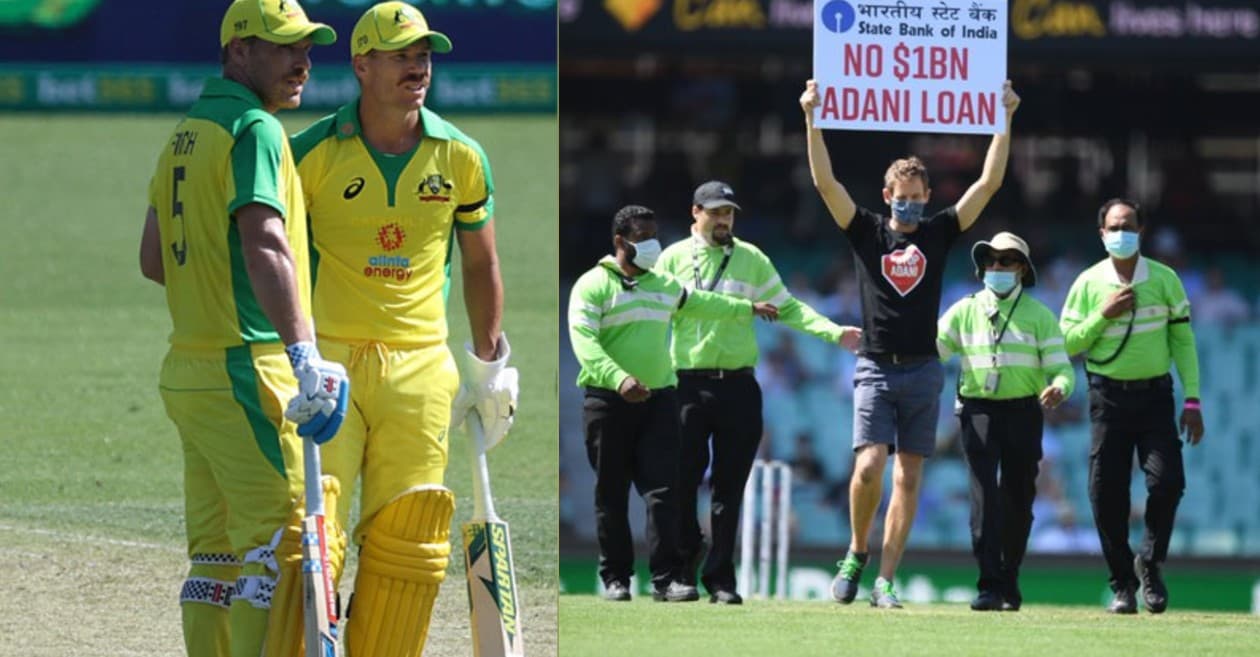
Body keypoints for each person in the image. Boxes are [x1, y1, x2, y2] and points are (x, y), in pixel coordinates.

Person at [288, 3, 517, 654]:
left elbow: (481, 262)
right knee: (312, 533)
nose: (418, 67)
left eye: (424, 55)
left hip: (420, 365)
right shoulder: (309, 154)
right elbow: (265, 254)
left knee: (410, 544)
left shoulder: (462, 157)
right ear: (361, 65)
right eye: (401, 55)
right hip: (328, 363)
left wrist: (487, 364)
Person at [138, 2, 348, 656]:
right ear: (238, 52)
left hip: (189, 372)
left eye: (307, 47)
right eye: (284, 47)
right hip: (247, 368)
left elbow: (153, 259)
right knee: (288, 539)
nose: (302, 62)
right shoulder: (255, 128)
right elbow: (265, 242)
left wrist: (209, 280)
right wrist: (303, 354)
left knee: (215, 558)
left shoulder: (185, 131)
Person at [800, 78, 1021, 608]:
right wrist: (812, 119)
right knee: (869, 466)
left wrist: (1005, 117)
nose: (908, 208)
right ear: (886, 197)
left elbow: (987, 184)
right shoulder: (867, 231)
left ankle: (885, 580)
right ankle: (856, 553)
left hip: (923, 370)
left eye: (917, 199)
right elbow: (826, 183)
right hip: (875, 365)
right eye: (900, 200)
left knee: (909, 475)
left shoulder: (940, 233)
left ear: (928, 198)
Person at [656, 181, 861, 604]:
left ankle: (721, 580)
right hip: (686, 384)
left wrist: (833, 332)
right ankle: (681, 570)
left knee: (730, 490)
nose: (723, 220)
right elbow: (658, 313)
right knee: (682, 483)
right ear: (696, 212)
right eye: (715, 212)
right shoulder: (673, 258)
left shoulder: (750, 259)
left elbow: (787, 307)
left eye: (728, 213)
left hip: (738, 385)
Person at [568, 204, 779, 603]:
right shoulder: (592, 286)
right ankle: (616, 577)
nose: (651, 245)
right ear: (620, 241)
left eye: (654, 236)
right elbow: (585, 344)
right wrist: (620, 378)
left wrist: (747, 307)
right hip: (608, 401)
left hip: (659, 399)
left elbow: (702, 301)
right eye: (642, 237)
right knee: (611, 492)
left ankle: (667, 579)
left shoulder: (662, 284)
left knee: (665, 491)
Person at [1059, 198, 1204, 614]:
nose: (1121, 232)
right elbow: (1068, 344)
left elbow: (1183, 341)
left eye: (1128, 225)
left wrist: (1192, 397)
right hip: (1107, 397)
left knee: (1168, 482)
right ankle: (1123, 584)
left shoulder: (1165, 279)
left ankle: (1150, 565)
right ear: (1101, 233)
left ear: (1140, 231)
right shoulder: (1087, 283)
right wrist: (1103, 315)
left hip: (1156, 397)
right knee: (1105, 494)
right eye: (1113, 226)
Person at [936, 232, 1074, 611]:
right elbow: (934, 349)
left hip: (1024, 412)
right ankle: (988, 585)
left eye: (1006, 261)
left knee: (1019, 500)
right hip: (977, 411)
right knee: (983, 498)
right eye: (991, 260)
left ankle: (1009, 580)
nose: (996, 267)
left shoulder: (1040, 315)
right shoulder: (963, 309)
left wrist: (1059, 387)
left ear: (1022, 270)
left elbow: (1062, 369)